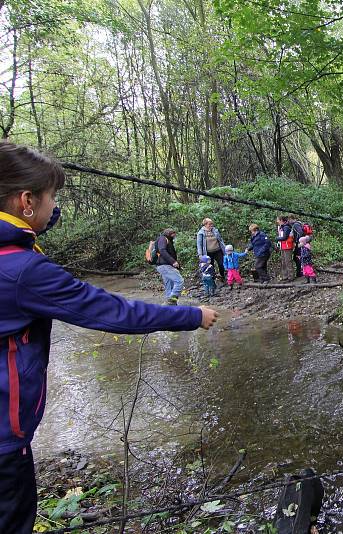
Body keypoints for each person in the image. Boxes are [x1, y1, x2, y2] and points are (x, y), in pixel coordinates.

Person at [0, 141, 219, 532]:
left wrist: (43, 214)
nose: (55, 208)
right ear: (26, 200)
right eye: (52, 198)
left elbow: (28, 228)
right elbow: (112, 311)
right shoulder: (24, 271)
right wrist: (191, 316)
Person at [196, 218, 226, 283]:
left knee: (221, 264)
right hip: (208, 253)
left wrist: (225, 248)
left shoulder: (215, 230)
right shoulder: (201, 233)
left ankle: (222, 276)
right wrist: (200, 254)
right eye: (210, 224)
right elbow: (199, 245)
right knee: (211, 266)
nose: (211, 225)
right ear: (205, 224)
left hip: (218, 250)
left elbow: (220, 240)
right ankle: (213, 279)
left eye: (212, 223)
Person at [276, 215, 295, 281]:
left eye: (278, 220)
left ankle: (291, 276)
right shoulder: (282, 227)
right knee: (283, 262)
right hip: (283, 246)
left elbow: (285, 237)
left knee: (288, 261)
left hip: (288, 246)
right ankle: (285, 276)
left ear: (281, 220)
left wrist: (277, 238)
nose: (277, 221)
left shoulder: (286, 227)